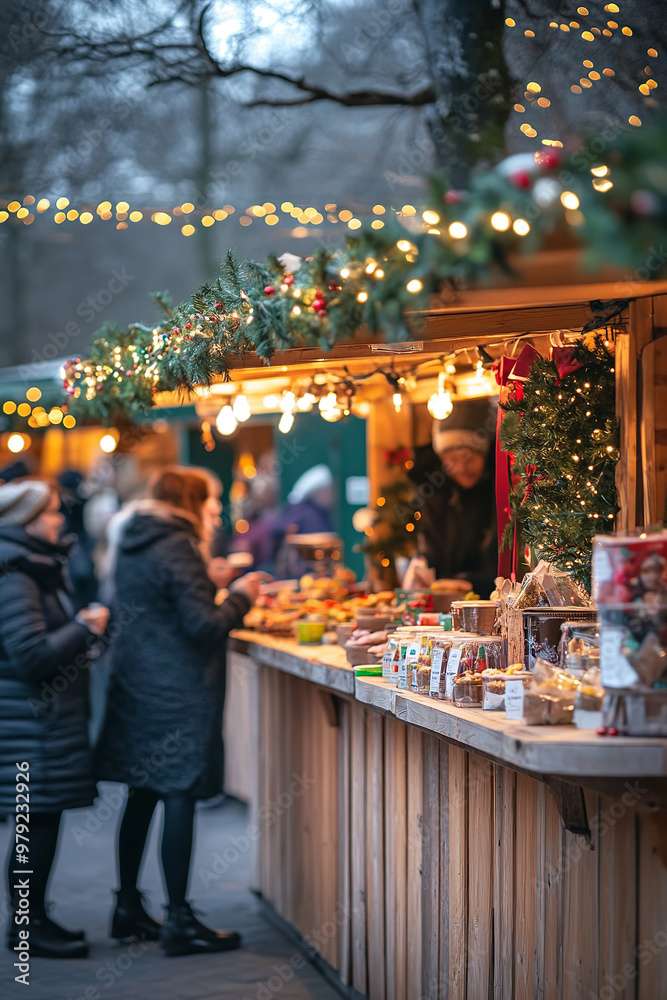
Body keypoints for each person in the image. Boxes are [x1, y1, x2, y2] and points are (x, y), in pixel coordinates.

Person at [95, 467, 265, 957]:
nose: (215, 513)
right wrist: (241, 597)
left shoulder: (136, 539)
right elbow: (204, 627)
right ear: (190, 503)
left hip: (136, 685)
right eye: (210, 503)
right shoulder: (179, 546)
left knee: (142, 793)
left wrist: (204, 581)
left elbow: (159, 601)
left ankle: (126, 907)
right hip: (175, 692)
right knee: (178, 795)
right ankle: (179, 921)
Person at [0, 480, 109, 959]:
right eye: (48, 514)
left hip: (38, 721)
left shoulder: (34, 567)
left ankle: (35, 921)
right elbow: (29, 655)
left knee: (38, 824)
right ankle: (27, 930)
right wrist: (83, 628)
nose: (58, 520)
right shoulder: (15, 574)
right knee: (32, 826)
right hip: (29, 724)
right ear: (25, 521)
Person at [409, 398, 497, 597]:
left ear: (484, 454)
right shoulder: (435, 496)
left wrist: (467, 582)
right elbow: (429, 552)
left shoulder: (497, 496)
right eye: (452, 460)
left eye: (469, 458)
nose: (461, 468)